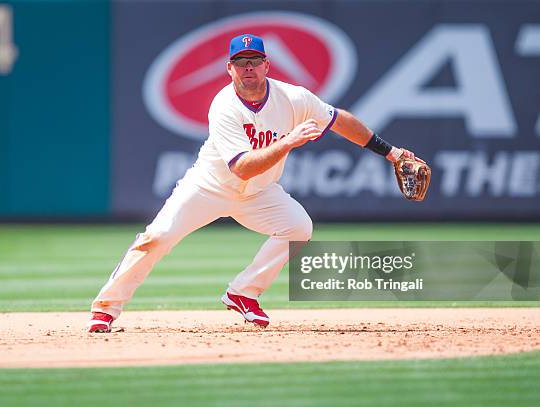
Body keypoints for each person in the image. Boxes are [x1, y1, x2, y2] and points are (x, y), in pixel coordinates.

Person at [88, 34, 421, 332]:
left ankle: (243, 292)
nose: (248, 68)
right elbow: (242, 168)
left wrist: (390, 152)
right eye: (240, 63)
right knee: (157, 237)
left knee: (299, 228)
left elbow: (338, 120)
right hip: (209, 187)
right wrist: (288, 141)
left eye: (254, 61)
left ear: (267, 65)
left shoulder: (294, 98)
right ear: (229, 69)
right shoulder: (224, 106)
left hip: (260, 193)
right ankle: (106, 307)